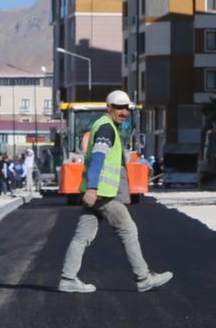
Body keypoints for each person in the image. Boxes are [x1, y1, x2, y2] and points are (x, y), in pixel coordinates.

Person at [58, 90, 172, 294]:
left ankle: (67, 278)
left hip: (97, 193)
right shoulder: (106, 129)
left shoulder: (105, 126)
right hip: (103, 194)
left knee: (81, 236)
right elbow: (98, 159)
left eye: (126, 108)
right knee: (128, 230)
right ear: (108, 107)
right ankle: (143, 277)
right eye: (119, 107)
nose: (124, 112)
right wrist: (93, 188)